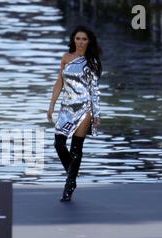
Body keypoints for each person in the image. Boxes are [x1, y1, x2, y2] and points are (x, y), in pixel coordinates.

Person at [47, 25, 102, 202]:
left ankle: (69, 185)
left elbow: (94, 89)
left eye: (84, 39)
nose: (80, 42)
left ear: (89, 41)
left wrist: (97, 114)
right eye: (78, 38)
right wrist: (51, 105)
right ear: (73, 39)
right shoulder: (66, 58)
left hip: (85, 108)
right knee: (58, 144)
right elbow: (59, 82)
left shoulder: (91, 61)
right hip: (66, 108)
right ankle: (73, 174)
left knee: (76, 147)